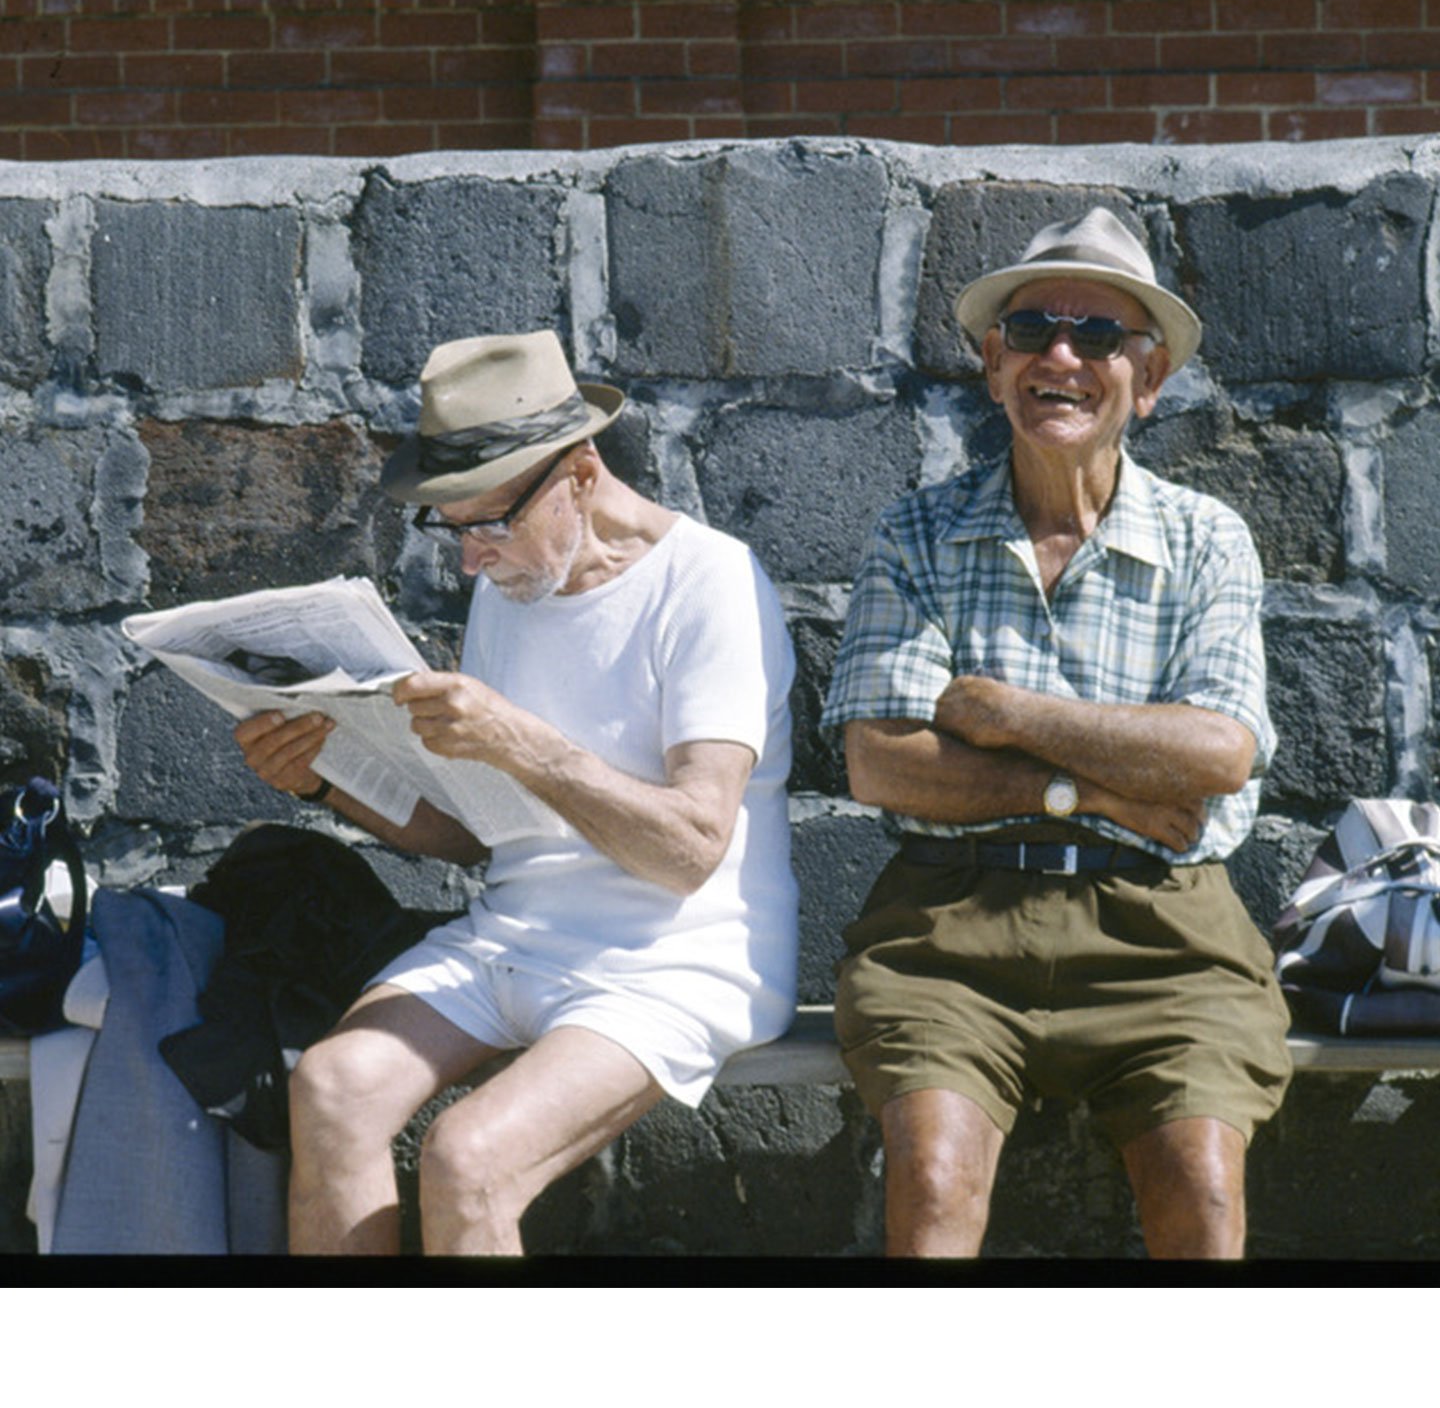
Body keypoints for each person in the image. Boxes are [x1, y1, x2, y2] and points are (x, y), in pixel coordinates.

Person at [234, 330, 798, 1255]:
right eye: (453, 528)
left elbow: (691, 848)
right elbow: (479, 836)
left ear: (579, 472)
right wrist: (328, 781)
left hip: (674, 958)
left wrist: (521, 741)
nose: (468, 561)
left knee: (468, 1156)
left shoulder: (710, 583)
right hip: (516, 936)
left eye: (487, 522)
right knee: (330, 1090)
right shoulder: (515, 582)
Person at [820, 208, 1292, 1259]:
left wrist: (1001, 714)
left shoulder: (1207, 539)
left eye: (1099, 337)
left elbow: (1217, 755)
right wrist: (1098, 787)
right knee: (935, 1182)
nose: (1061, 358)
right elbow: (882, 763)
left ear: (1150, 378)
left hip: (1166, 938)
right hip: (949, 931)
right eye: (1032, 331)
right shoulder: (917, 532)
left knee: (1201, 1194)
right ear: (994, 366)